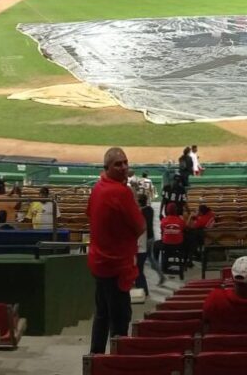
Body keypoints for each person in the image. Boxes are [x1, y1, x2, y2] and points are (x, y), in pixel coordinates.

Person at [86, 146, 145, 353]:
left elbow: (90, 215)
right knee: (120, 321)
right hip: (116, 265)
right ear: (107, 167)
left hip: (99, 263)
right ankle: (116, 365)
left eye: (125, 163)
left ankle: (96, 359)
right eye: (118, 164)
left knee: (102, 314)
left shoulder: (98, 187)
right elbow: (140, 227)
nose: (124, 167)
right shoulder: (121, 192)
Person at [159, 202, 187, 283]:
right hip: (178, 245)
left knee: (158, 245)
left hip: (166, 245)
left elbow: (162, 231)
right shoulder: (180, 220)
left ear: (167, 210)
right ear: (176, 210)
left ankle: (163, 266)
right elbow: (184, 229)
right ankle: (185, 263)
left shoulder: (164, 220)